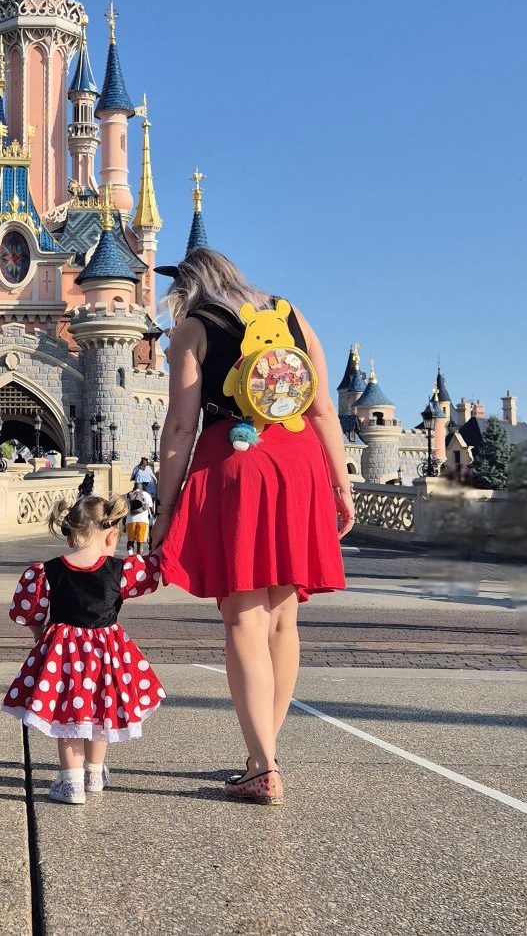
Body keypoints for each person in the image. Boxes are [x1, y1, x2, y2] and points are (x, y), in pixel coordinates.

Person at [150, 247, 353, 807]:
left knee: (244, 615)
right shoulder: (289, 312)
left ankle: (263, 764)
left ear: (186, 288)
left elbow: (181, 427)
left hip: (237, 464)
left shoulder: (193, 328)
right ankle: (263, 755)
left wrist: (165, 509)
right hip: (299, 460)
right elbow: (322, 409)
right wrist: (340, 485)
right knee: (283, 618)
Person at [2, 493, 165, 804]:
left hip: (63, 657)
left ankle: (71, 783)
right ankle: (94, 773)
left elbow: (29, 611)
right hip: (107, 656)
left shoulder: (46, 572)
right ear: (111, 536)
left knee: (69, 718)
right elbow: (153, 569)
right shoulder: (121, 570)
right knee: (100, 714)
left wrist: (40, 634)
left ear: (70, 535)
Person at [124, 483, 153, 555]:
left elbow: (124, 510)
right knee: (140, 542)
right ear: (142, 487)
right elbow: (151, 508)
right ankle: (138, 558)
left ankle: (130, 556)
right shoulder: (147, 494)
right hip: (143, 521)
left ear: (133, 487)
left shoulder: (127, 495)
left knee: (130, 541)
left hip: (130, 520)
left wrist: (124, 523)